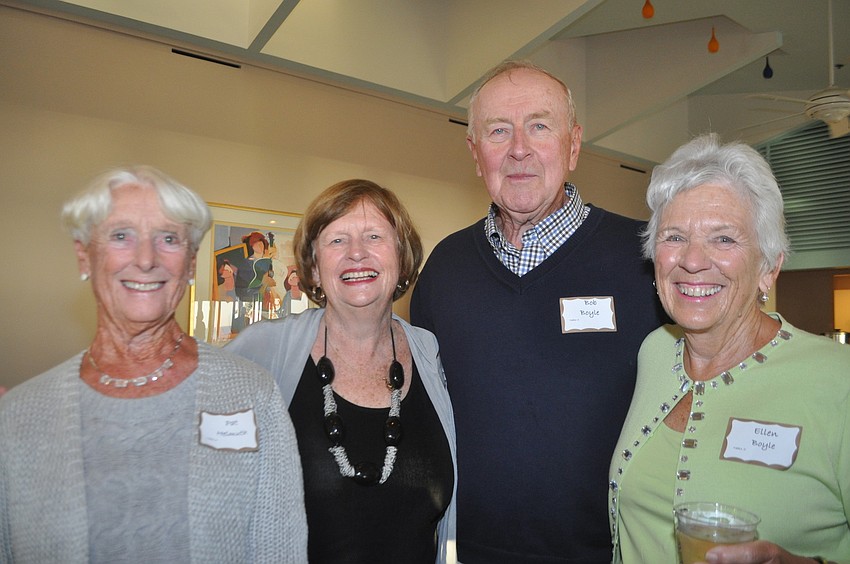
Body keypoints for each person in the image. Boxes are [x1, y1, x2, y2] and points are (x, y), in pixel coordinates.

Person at [410, 60, 667, 563]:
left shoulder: (646, 259)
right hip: (474, 554)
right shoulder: (444, 269)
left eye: (539, 126)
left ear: (573, 145)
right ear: (475, 152)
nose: (519, 149)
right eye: (498, 131)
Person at [0, 166, 308, 563]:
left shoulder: (252, 395)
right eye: (121, 236)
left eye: (168, 239)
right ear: (84, 256)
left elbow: (279, 550)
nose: (146, 259)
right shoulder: (19, 416)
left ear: (191, 261)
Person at [608, 134, 850, 563]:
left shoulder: (839, 380)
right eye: (675, 237)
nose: (694, 261)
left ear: (768, 267)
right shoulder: (654, 353)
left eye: (723, 239)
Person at [227, 179, 457, 564]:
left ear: (401, 259)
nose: (356, 254)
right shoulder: (261, 352)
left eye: (374, 236)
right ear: (314, 268)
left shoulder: (430, 354)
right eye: (336, 240)